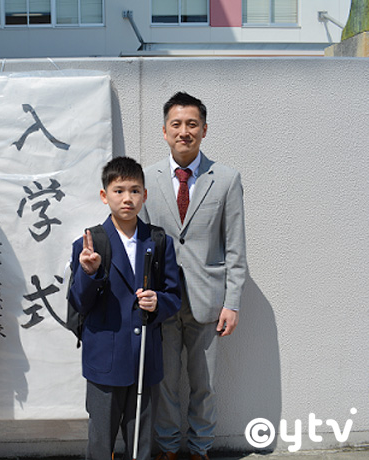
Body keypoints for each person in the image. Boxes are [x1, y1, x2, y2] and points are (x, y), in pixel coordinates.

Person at [143, 92, 247, 460]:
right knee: (165, 382)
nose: (183, 131)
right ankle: (169, 448)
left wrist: (232, 303)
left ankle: (200, 448)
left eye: (192, 124)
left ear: (204, 129)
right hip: (163, 300)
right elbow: (141, 242)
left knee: (205, 384)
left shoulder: (226, 179)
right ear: (164, 131)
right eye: (176, 124)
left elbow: (235, 248)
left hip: (209, 301)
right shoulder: (147, 178)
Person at [69, 157, 181, 460]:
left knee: (141, 445)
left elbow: (174, 296)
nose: (127, 198)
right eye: (118, 191)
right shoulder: (89, 244)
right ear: (104, 195)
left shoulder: (158, 241)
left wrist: (158, 302)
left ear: (145, 195)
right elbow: (78, 302)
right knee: (100, 443)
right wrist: (89, 273)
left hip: (145, 359)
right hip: (104, 361)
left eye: (134, 190)